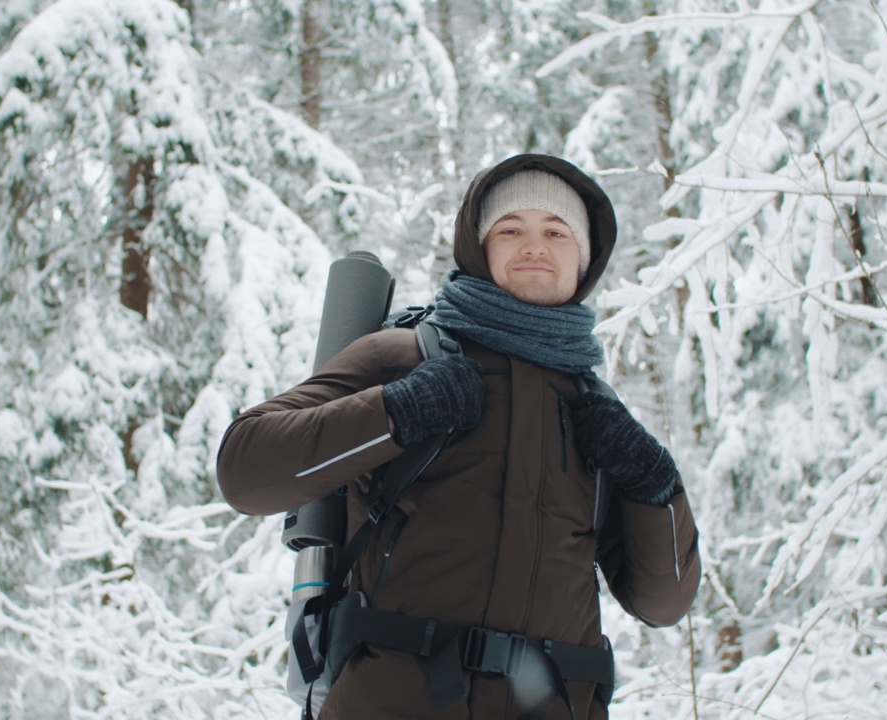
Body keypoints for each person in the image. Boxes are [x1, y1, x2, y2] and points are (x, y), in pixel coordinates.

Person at [216, 154, 701, 719]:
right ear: (480, 247)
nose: (534, 246)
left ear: (585, 258)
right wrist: (398, 410)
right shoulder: (402, 357)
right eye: (510, 229)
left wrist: (653, 483)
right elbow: (244, 471)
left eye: (556, 232)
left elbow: (663, 602)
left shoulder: (597, 410)